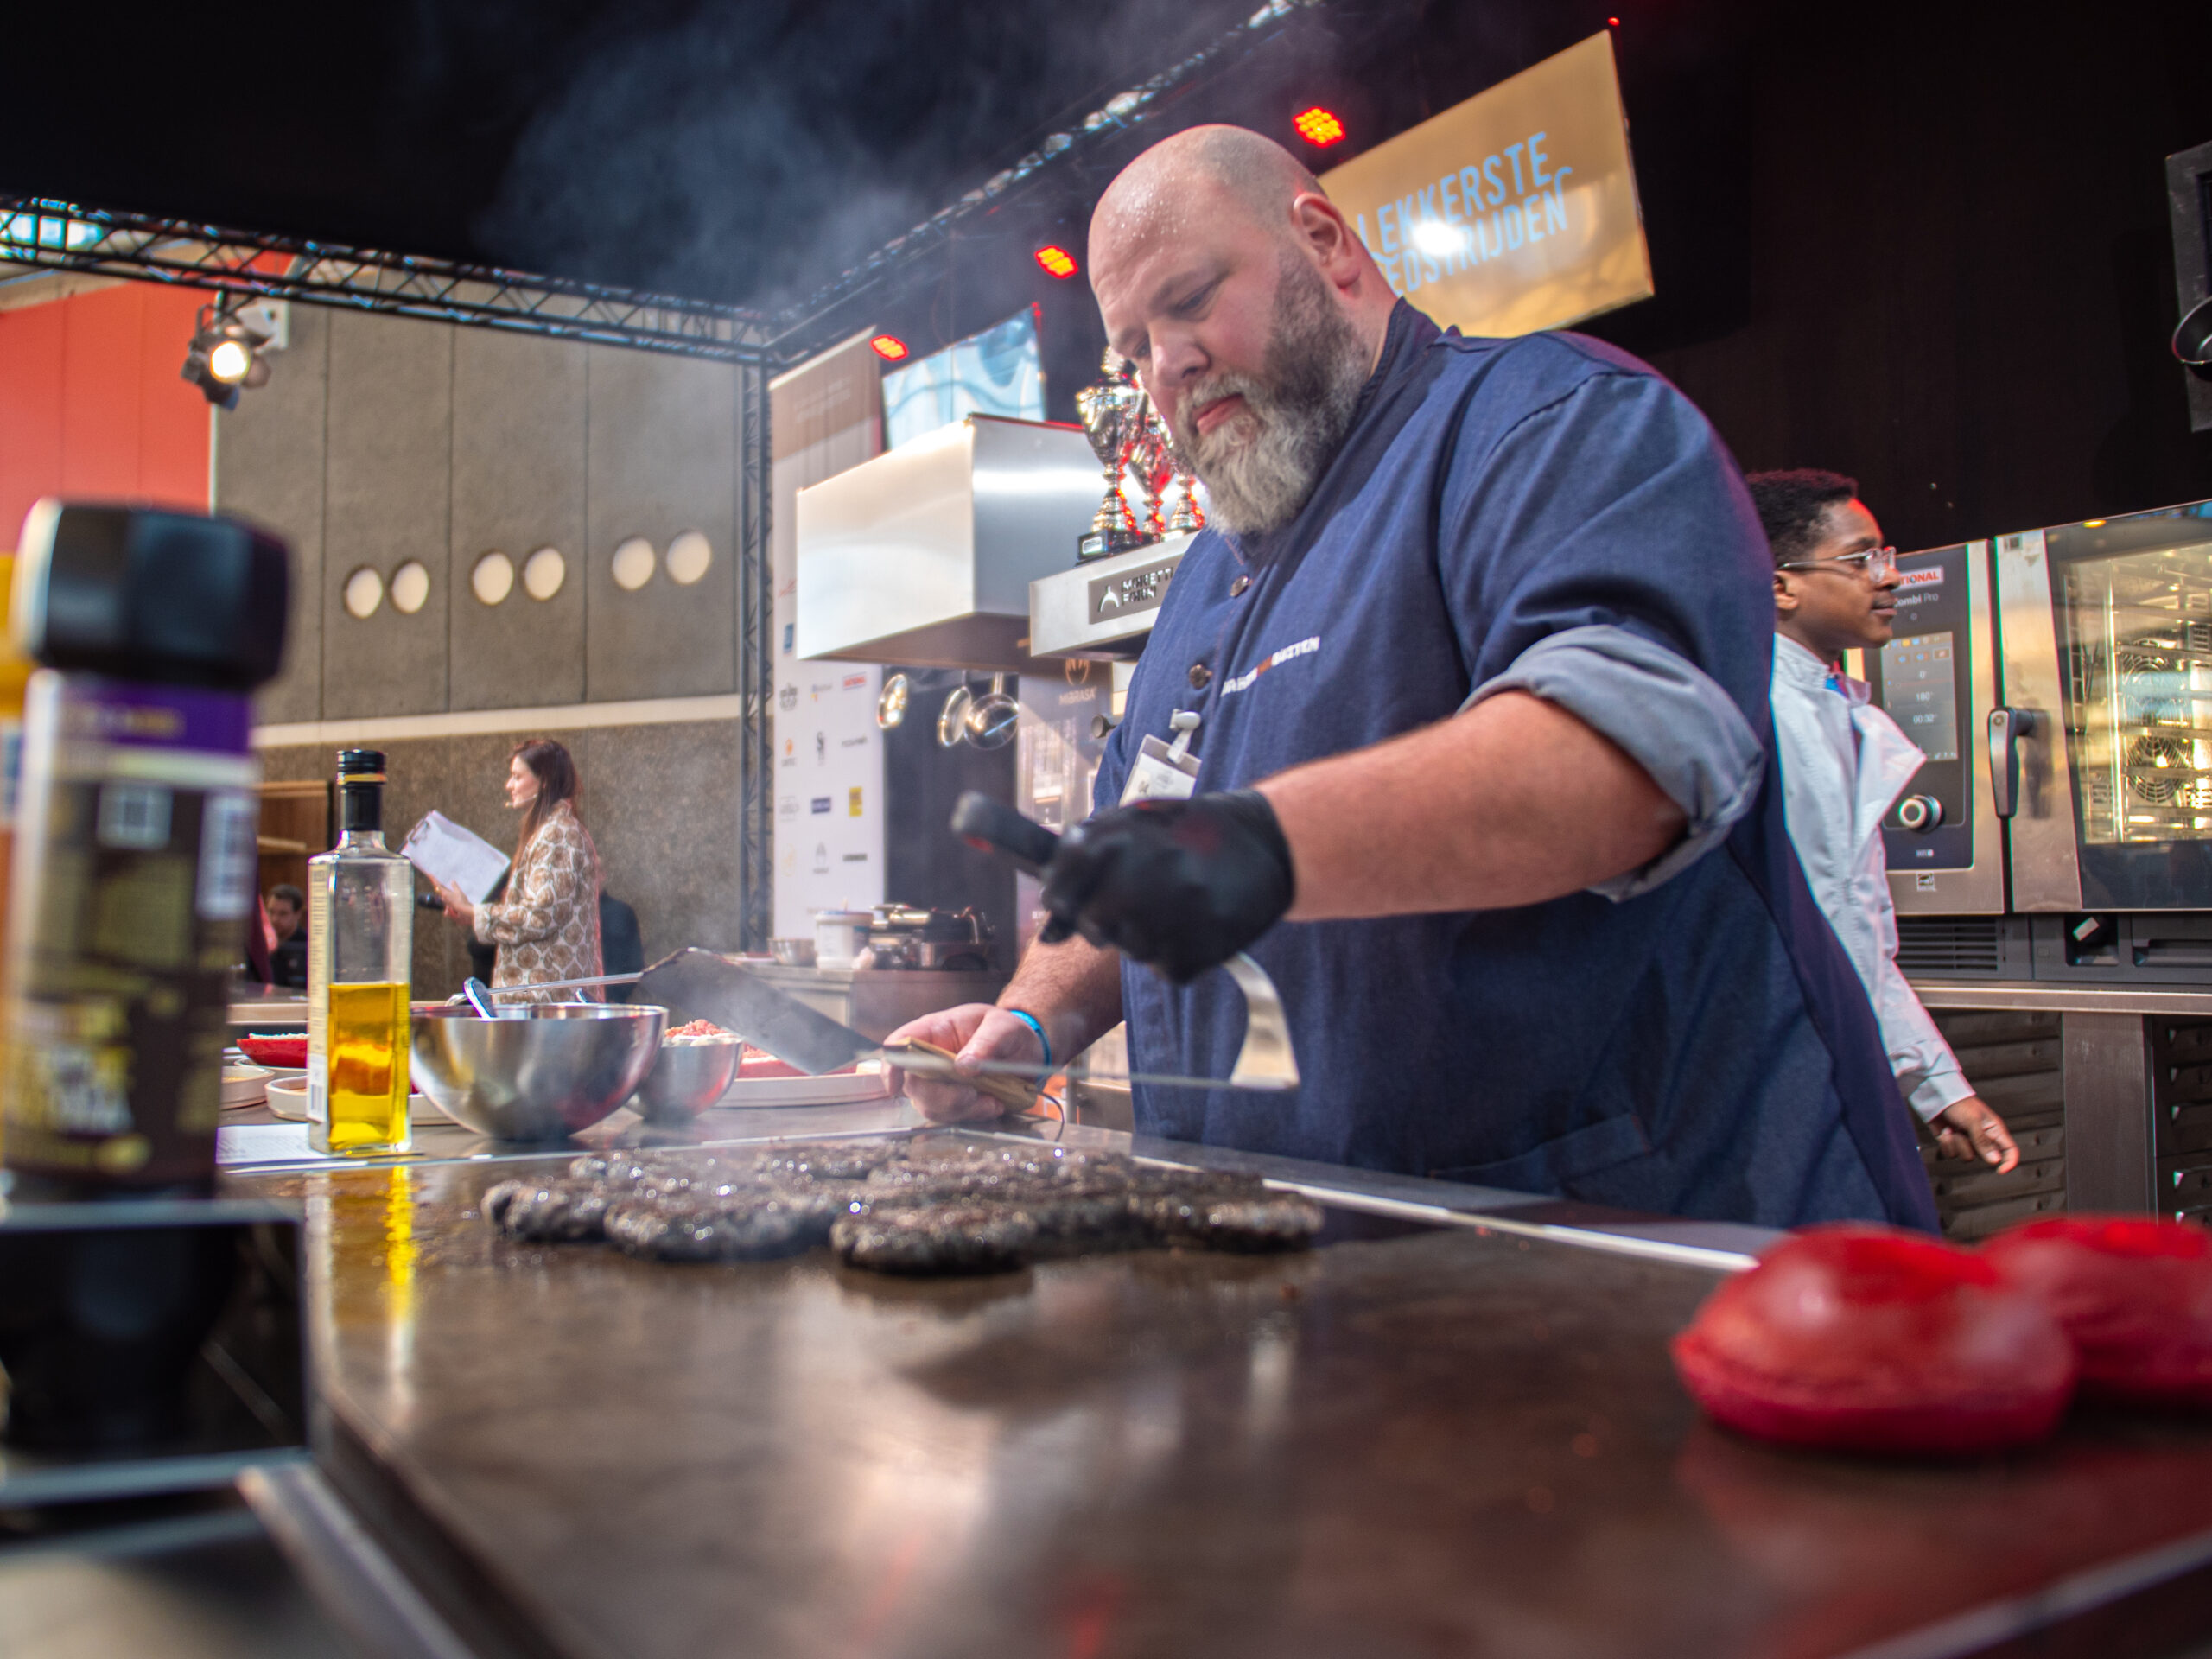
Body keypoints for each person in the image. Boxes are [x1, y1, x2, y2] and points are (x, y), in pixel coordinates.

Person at [887, 124, 1939, 1230]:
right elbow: (1129, 882)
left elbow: (1627, 756)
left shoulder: (1548, 421)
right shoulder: (1205, 578)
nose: (1169, 365)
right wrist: (1027, 1025)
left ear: (1326, 242)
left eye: (1192, 298)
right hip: (1307, 1275)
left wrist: (1258, 847)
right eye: (1134, 346)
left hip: (1627, 1252)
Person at [1750, 468, 2020, 1173]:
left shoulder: (1826, 700)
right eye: (1863, 559)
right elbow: (1834, 925)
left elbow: (1856, 925)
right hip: (1786, 1067)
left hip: (1814, 1055)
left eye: (1888, 556)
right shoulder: (1776, 712)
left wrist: (1936, 1087)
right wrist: (1929, 1083)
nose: (1892, 577)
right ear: (1782, 585)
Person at [432, 739, 603, 1003]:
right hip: (544, 1005)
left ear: (544, 780)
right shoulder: (551, 830)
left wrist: (475, 912)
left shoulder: (557, 833)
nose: (508, 785)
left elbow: (541, 914)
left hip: (548, 1008)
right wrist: (472, 918)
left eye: (516, 777)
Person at [265, 882, 308, 989]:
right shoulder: (261, 945)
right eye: (271, 912)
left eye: (283, 913)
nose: (275, 919)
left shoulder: (307, 945)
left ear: (297, 914)